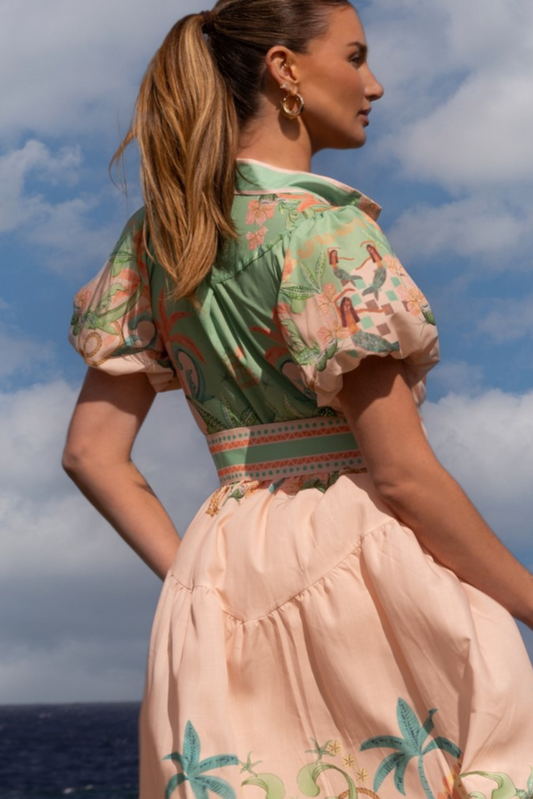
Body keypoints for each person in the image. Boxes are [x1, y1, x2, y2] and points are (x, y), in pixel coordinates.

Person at [63, 2, 533, 798]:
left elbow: (91, 454)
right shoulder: (324, 232)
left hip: (218, 570)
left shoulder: (158, 237)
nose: (372, 84)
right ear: (285, 70)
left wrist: (199, 579)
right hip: (360, 565)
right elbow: (402, 477)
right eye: (354, 57)